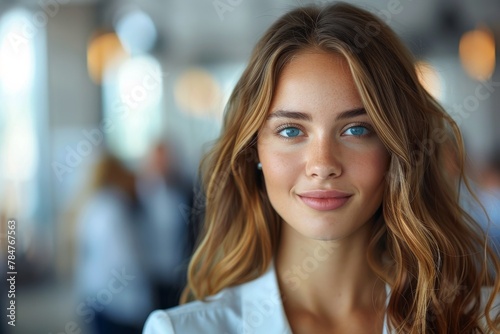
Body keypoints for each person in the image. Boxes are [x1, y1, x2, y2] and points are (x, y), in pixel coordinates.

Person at [143, 3, 500, 333]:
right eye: (291, 131)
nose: (322, 165)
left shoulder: (482, 318)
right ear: (254, 149)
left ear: (398, 147)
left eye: (356, 130)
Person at [75, 152, 153, 334]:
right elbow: (126, 259)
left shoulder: (92, 205)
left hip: (95, 294)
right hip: (119, 304)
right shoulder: (114, 208)